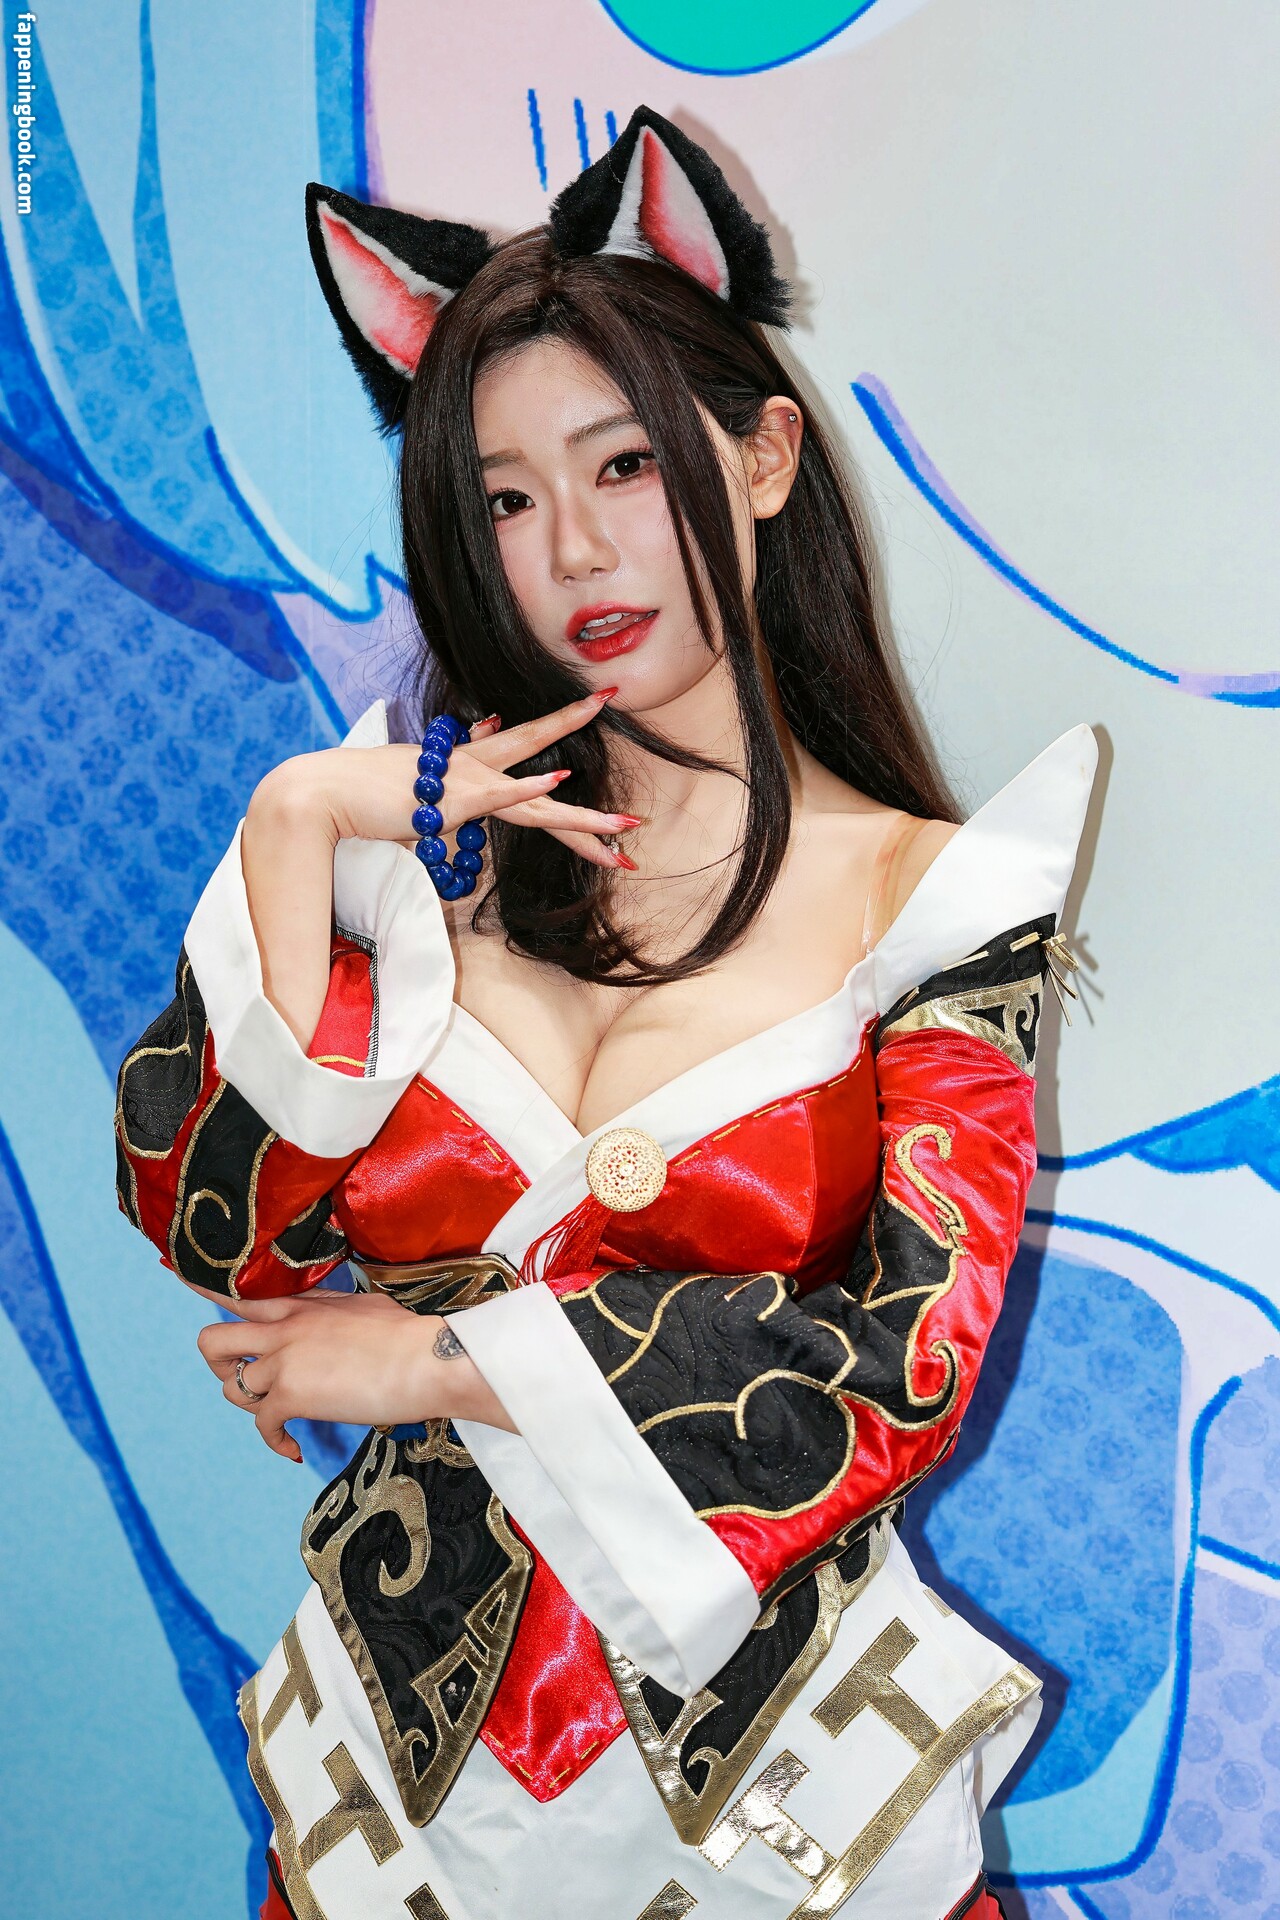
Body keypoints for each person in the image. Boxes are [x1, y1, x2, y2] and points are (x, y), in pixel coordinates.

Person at [114, 108, 1096, 1920]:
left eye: (624, 465)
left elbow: (898, 1366)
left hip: (791, 1821)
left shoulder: (934, 905)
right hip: (402, 1821)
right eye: (503, 499)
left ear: (766, 458)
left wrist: (429, 1367)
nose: (572, 551)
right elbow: (210, 1229)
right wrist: (296, 829)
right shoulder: (407, 860)